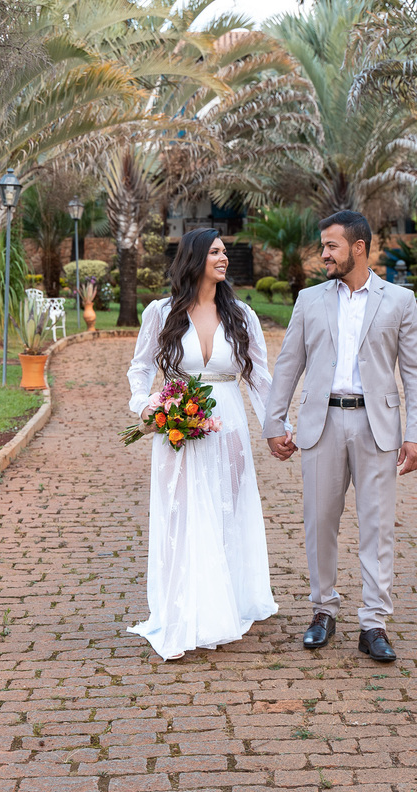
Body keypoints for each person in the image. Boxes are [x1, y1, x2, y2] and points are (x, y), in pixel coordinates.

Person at [263, 210, 417, 663]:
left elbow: (415, 372)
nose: (323, 255)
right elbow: (288, 364)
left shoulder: (398, 300)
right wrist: (274, 423)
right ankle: (323, 611)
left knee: (377, 527)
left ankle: (373, 622)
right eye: (323, 246)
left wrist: (416, 434)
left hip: (378, 427)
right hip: (321, 425)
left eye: (331, 246)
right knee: (319, 521)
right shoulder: (309, 300)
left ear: (358, 247)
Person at [126, 227, 279, 661]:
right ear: (195, 258)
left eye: (225, 251)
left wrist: (275, 428)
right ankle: (185, 606)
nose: (224, 258)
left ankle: (225, 602)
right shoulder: (161, 312)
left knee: (227, 509)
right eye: (215, 251)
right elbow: (140, 369)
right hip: (178, 423)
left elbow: (259, 377)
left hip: (228, 422)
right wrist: (145, 406)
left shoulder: (242, 315)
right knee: (182, 513)